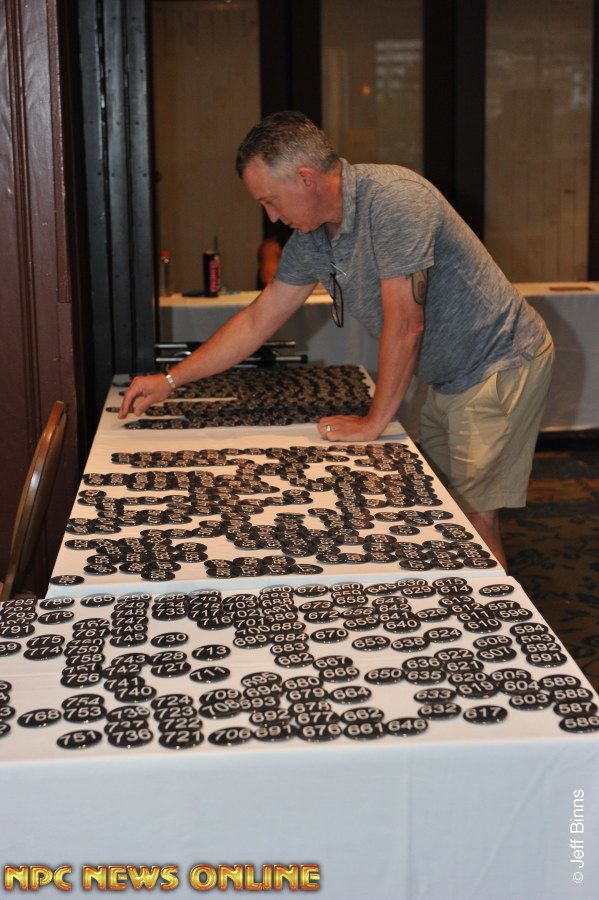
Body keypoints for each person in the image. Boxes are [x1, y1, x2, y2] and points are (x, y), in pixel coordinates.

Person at [119, 110, 554, 568]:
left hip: (497, 361)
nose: (271, 216)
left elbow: (406, 325)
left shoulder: (394, 200)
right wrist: (170, 380)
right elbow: (256, 321)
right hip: (446, 374)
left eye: (271, 200)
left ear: (306, 179)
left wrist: (372, 422)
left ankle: (490, 608)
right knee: (443, 510)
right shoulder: (311, 239)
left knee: (475, 526)